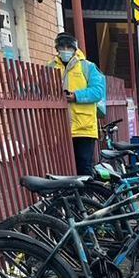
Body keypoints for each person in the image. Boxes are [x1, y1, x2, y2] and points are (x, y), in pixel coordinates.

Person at [49, 33, 105, 175]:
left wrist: (76, 96)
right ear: (57, 49)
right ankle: (73, 197)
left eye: (69, 47)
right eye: (62, 47)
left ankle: (87, 196)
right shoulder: (50, 67)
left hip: (83, 127)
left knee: (84, 167)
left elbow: (98, 91)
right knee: (64, 170)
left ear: (75, 49)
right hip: (59, 128)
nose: (65, 50)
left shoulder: (87, 66)